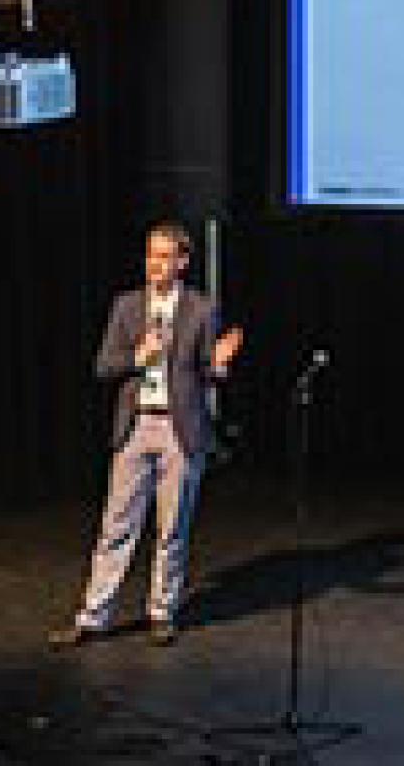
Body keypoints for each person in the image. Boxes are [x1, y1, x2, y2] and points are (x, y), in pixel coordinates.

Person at [50, 221, 243, 647]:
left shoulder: (202, 309)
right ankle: (93, 616)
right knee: (116, 524)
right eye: (150, 255)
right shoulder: (126, 307)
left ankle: (162, 611)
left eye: (163, 256)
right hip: (136, 425)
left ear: (182, 262)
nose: (154, 264)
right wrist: (137, 357)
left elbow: (205, 373)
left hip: (180, 428)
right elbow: (104, 366)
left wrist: (219, 363)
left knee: (172, 526)